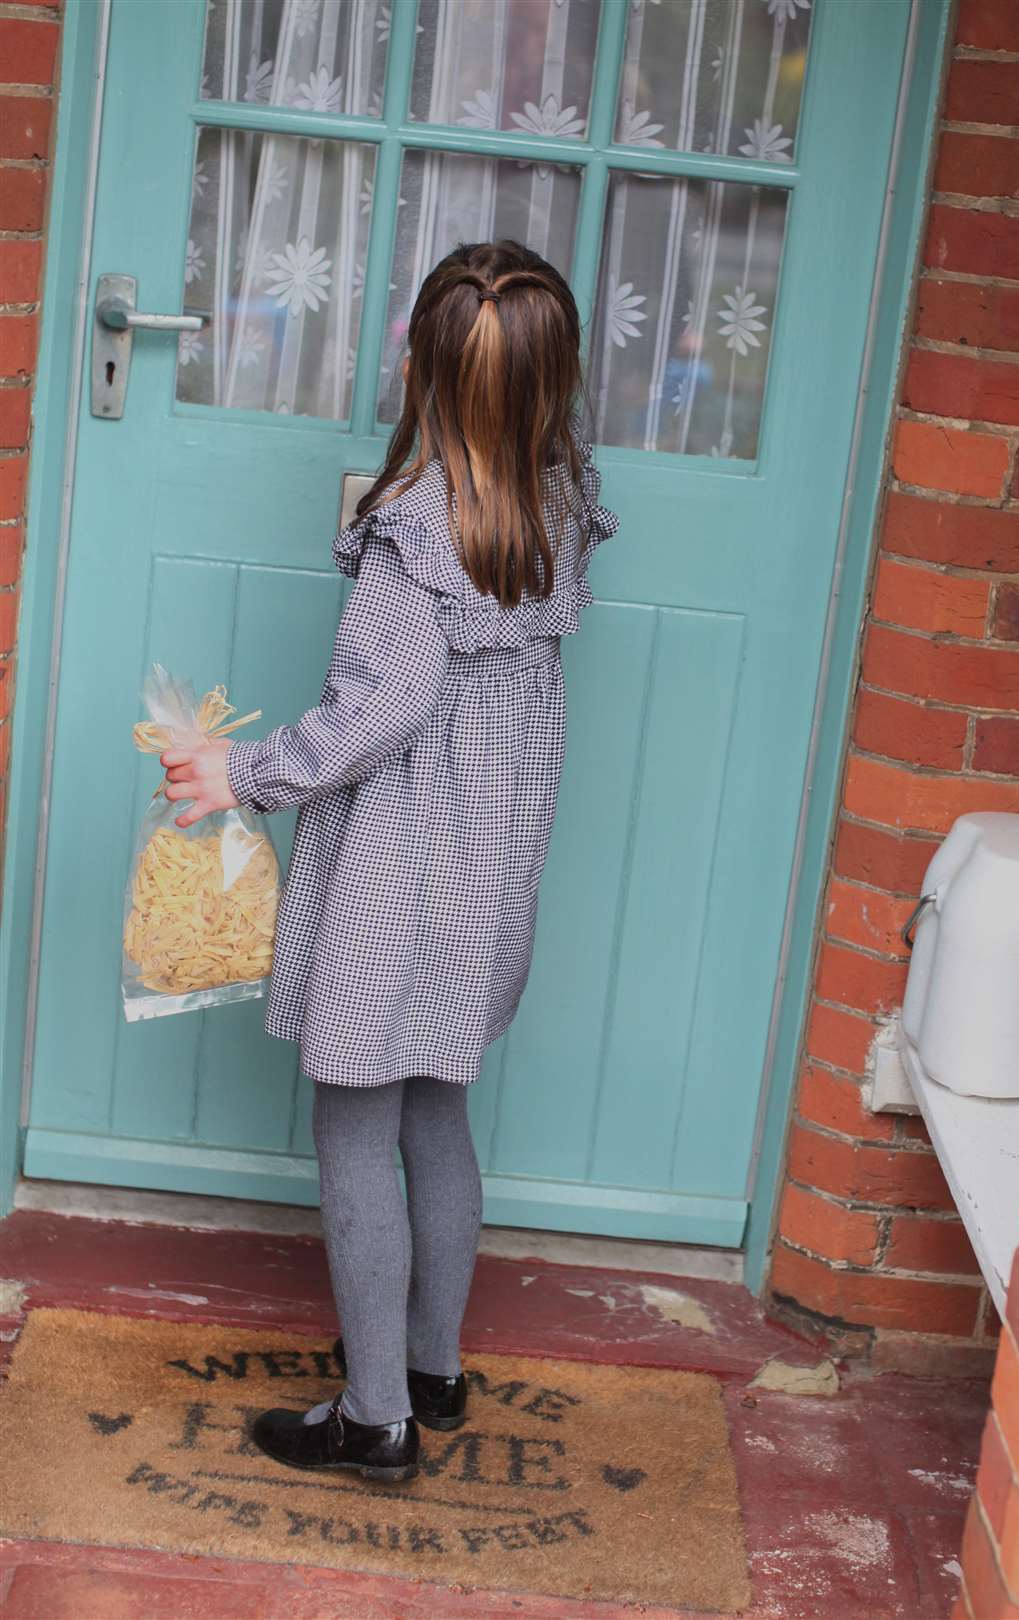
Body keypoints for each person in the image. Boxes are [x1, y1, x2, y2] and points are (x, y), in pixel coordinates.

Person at [158, 239, 619, 1484]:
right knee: (438, 1110)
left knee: (354, 1122)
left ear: (414, 366)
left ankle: (374, 1419)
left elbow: (379, 709)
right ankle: (430, 1362)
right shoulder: (560, 503)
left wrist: (238, 774)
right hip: (488, 880)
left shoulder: (417, 534)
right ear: (553, 384)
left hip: (398, 881)